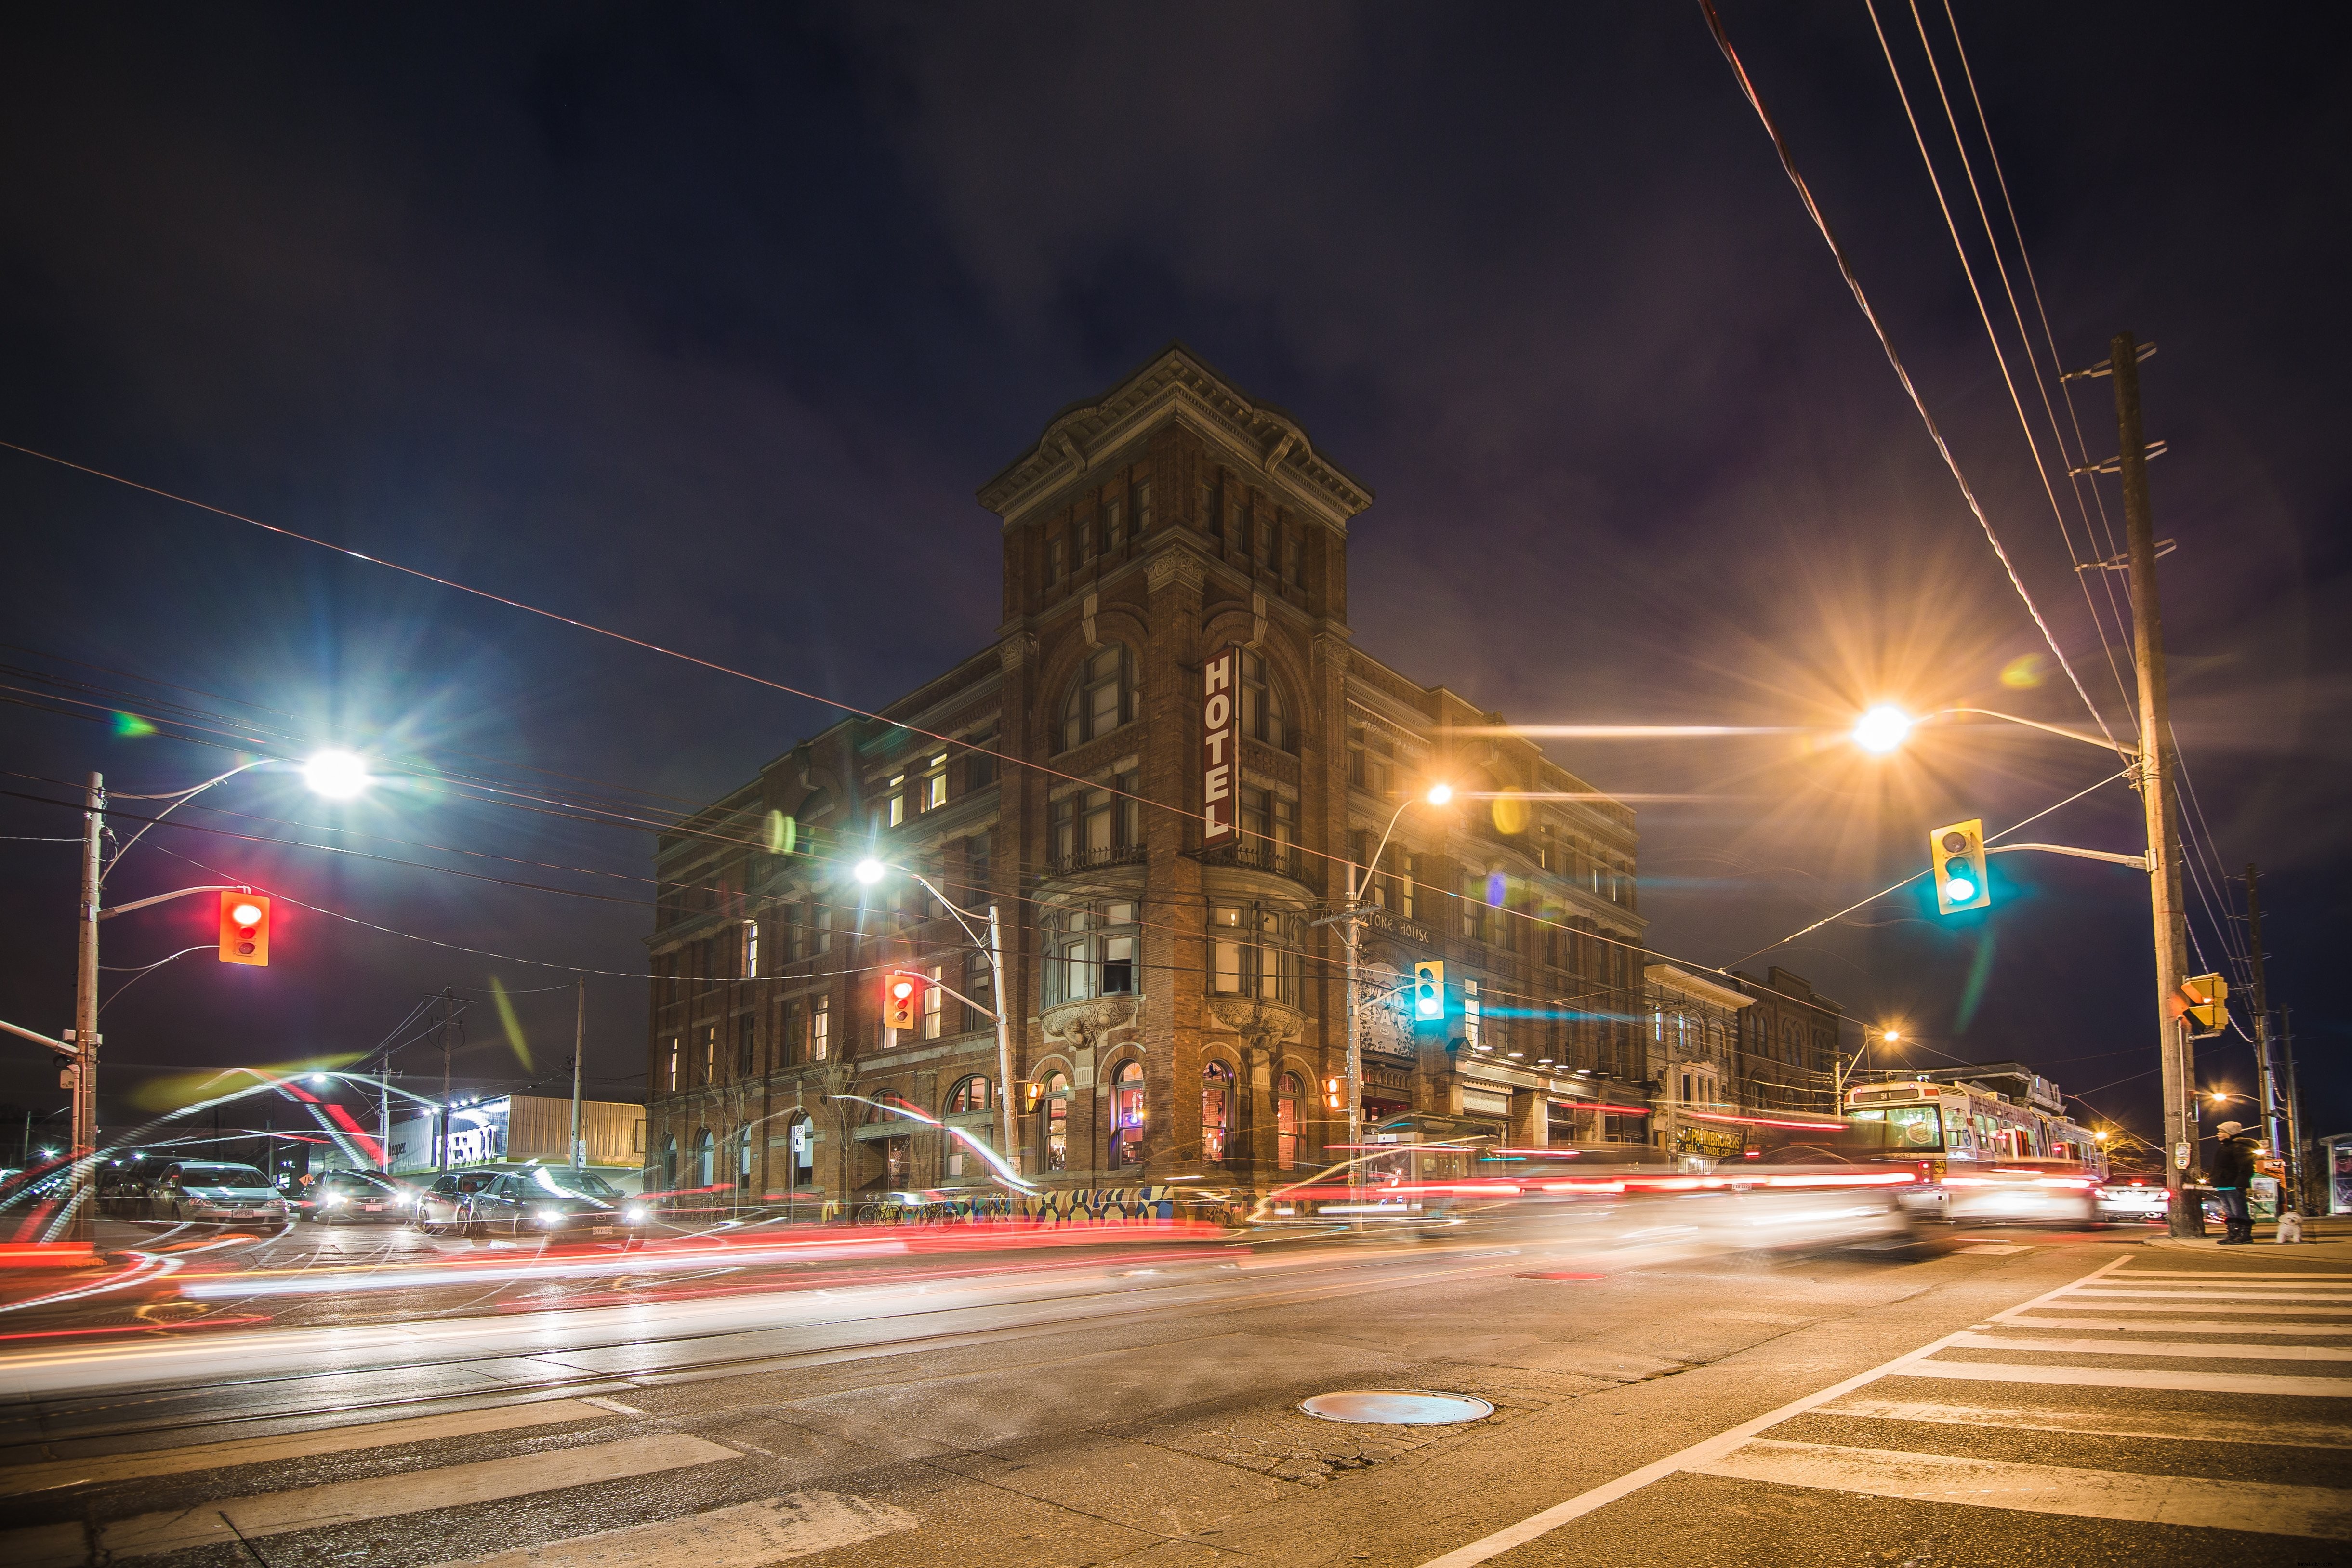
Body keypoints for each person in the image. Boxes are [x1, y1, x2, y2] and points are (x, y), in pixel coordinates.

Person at [2212, 1121, 2256, 1245]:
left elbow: (2246, 1168)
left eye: (2222, 1132)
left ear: (2230, 1133)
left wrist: (2240, 1183)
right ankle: (2233, 1235)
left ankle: (2244, 1235)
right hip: (2223, 1185)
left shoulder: (2239, 1147)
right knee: (2230, 1212)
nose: (2218, 1134)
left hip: (2234, 1185)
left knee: (2239, 1211)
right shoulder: (2226, 1147)